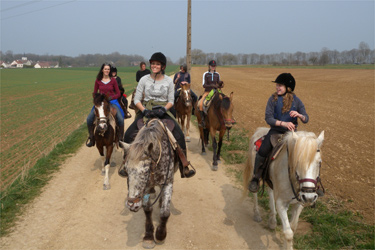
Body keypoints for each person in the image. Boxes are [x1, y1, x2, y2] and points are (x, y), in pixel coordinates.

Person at [122, 52, 195, 178]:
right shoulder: (144, 80)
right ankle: (125, 163)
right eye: (153, 64)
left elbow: (171, 100)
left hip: (163, 109)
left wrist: (164, 109)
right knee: (128, 134)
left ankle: (184, 165)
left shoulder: (168, 81)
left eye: (157, 64)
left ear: (163, 66)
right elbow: (136, 99)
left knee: (179, 135)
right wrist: (144, 110)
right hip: (146, 109)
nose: (154, 66)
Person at [248, 73, 309, 193]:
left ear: (288, 87)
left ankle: (310, 183)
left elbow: (306, 118)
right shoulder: (272, 99)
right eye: (277, 85)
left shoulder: (297, 101)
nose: (277, 87)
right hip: (275, 131)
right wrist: (283, 123)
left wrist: (299, 115)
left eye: (280, 85)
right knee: (262, 150)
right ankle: (256, 178)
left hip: (291, 134)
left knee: (305, 154)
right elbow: (268, 118)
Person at [86, 63, 124, 147]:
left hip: (112, 102)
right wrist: (97, 100)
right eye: (105, 69)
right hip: (100, 103)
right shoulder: (98, 80)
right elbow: (95, 93)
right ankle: (92, 138)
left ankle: (121, 139)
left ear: (109, 71)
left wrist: (111, 97)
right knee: (89, 119)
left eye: (108, 69)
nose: (107, 70)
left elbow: (118, 93)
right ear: (102, 70)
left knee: (121, 119)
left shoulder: (113, 80)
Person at [198, 60, 222, 127]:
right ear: (209, 66)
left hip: (216, 92)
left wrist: (220, 85)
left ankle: (225, 120)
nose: (213, 67)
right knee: (200, 104)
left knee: (224, 102)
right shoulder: (206, 74)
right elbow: (204, 85)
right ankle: (202, 121)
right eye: (212, 66)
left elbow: (218, 83)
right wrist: (212, 86)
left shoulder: (217, 74)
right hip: (207, 92)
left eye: (214, 66)